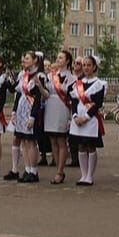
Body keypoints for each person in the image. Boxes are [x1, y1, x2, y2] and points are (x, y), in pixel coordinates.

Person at [8, 51, 47, 183]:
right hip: (21, 109)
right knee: (24, 141)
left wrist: (33, 116)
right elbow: (18, 93)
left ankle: (33, 171)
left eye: (27, 58)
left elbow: (37, 98)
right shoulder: (23, 75)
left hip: (31, 111)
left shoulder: (40, 76)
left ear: (35, 60)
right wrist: (14, 112)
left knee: (31, 142)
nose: (24, 60)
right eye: (24, 58)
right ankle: (27, 169)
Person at [68, 55, 106, 186]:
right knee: (81, 146)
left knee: (90, 146)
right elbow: (73, 102)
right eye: (84, 65)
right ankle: (83, 175)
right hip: (78, 117)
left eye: (89, 65)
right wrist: (75, 117)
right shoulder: (77, 84)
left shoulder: (99, 84)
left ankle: (90, 175)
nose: (86, 67)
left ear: (94, 67)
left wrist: (86, 117)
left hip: (91, 119)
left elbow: (98, 103)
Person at [44, 50, 75, 184]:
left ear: (67, 61)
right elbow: (46, 93)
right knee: (53, 140)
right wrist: (40, 87)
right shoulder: (51, 76)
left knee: (61, 139)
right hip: (51, 106)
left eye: (61, 57)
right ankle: (58, 168)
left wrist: (63, 89)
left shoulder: (72, 78)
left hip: (63, 107)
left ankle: (60, 171)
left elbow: (71, 95)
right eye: (57, 57)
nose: (58, 59)